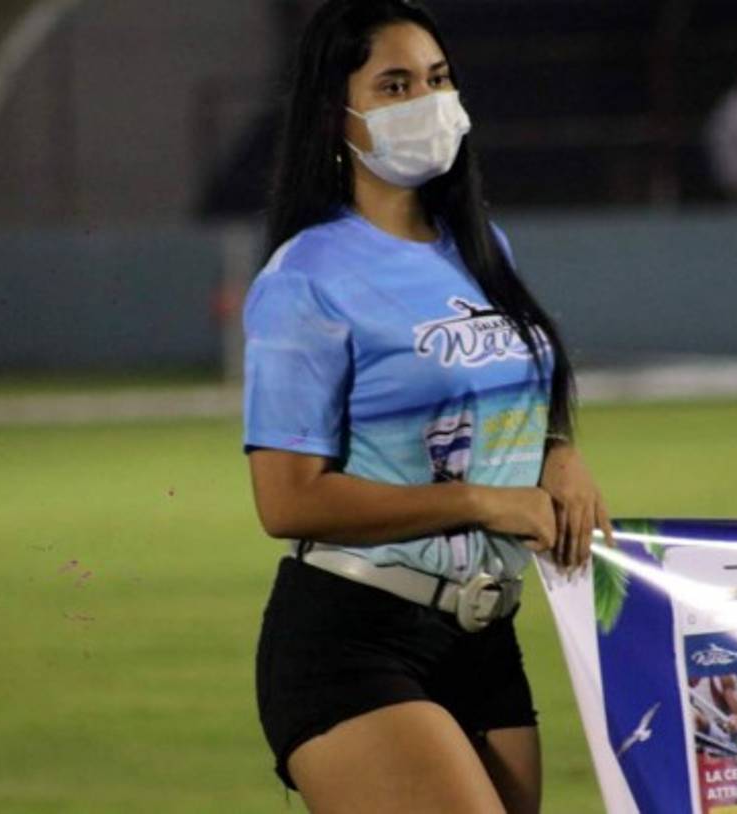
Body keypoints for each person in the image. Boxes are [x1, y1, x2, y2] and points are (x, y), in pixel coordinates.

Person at [243, 1, 612, 811]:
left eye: (438, 79)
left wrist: (558, 452)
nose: (427, 102)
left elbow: (504, 398)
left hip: (484, 634)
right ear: (336, 114)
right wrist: (481, 502)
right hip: (354, 636)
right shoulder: (306, 277)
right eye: (395, 85)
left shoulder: (480, 245)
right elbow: (287, 501)